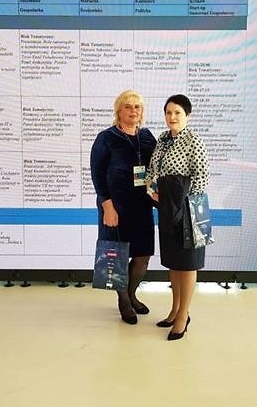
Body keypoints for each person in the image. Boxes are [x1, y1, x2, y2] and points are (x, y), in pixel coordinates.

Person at [146, 94, 210, 341]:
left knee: (188, 262)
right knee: (174, 262)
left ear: (187, 115)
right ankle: (174, 310)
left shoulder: (194, 141)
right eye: (168, 112)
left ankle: (184, 315)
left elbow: (202, 178)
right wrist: (151, 189)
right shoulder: (162, 139)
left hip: (189, 208)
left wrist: (180, 200)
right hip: (167, 208)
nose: (172, 117)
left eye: (177, 113)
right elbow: (153, 170)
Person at [90, 90, 157, 325]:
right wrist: (107, 205)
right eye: (128, 106)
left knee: (142, 257)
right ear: (119, 111)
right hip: (115, 207)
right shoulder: (106, 138)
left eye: (137, 107)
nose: (133, 111)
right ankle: (124, 301)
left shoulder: (147, 137)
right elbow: (97, 174)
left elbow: (155, 169)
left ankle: (131, 294)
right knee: (117, 256)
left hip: (141, 207)